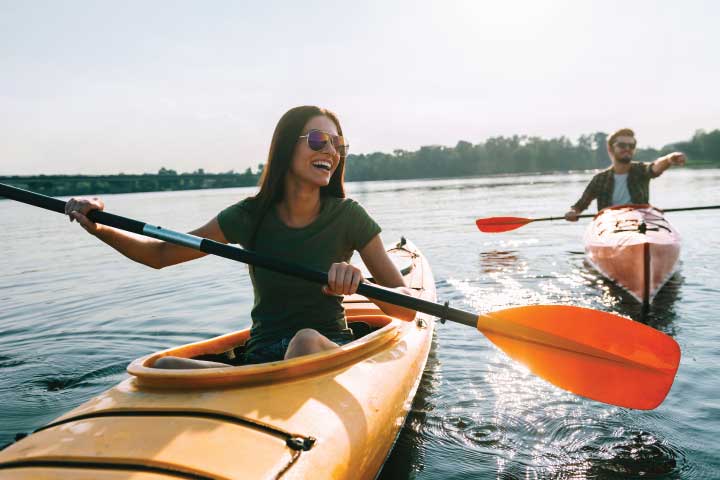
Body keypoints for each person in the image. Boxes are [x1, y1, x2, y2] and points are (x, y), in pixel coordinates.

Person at [64, 105, 417, 368]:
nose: (330, 151)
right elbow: (159, 255)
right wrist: (98, 225)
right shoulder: (248, 216)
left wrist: (359, 283)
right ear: (285, 148)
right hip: (261, 355)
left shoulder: (349, 216)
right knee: (162, 365)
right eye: (317, 140)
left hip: (324, 348)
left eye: (338, 144)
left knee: (305, 341)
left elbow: (404, 309)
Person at [564, 128, 686, 221]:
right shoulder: (600, 179)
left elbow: (655, 167)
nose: (627, 148)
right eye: (622, 145)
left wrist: (669, 159)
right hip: (610, 224)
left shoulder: (641, 170)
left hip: (640, 221)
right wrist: (573, 212)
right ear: (610, 149)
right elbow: (579, 206)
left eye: (631, 146)